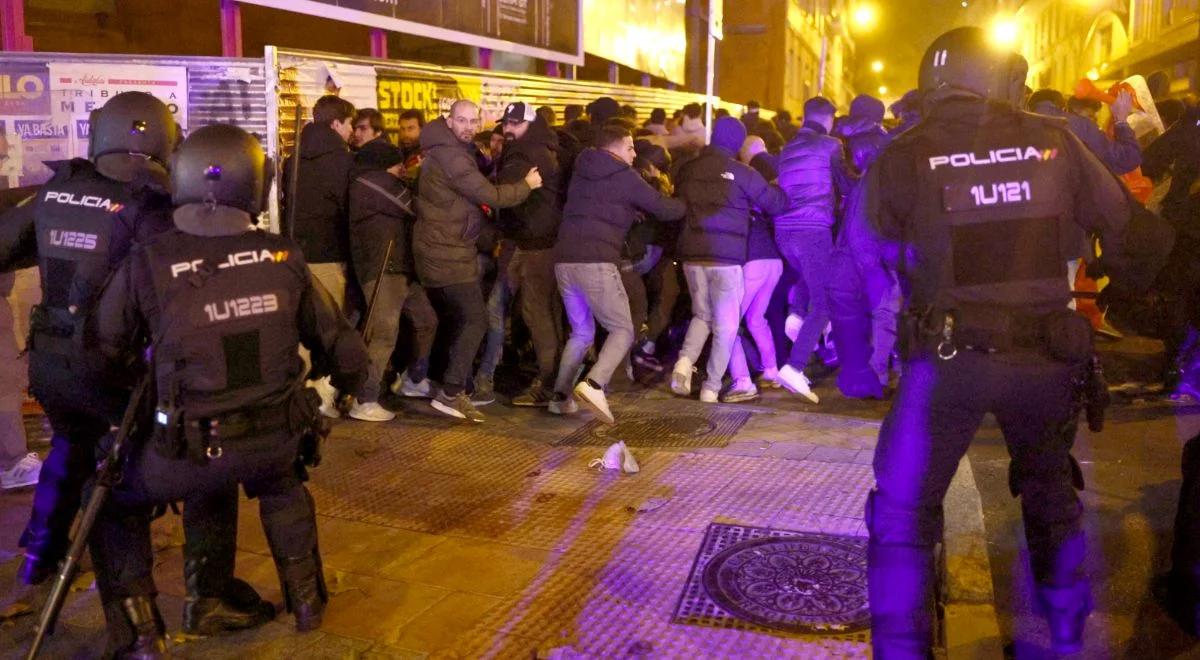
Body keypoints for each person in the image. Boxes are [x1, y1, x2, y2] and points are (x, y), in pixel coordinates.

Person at [865, 27, 1143, 657]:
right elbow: (1125, 225)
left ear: (932, 82)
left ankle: (902, 649)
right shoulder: (1058, 141)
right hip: (1046, 358)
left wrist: (868, 350)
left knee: (904, 514)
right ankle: (1065, 635)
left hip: (946, 361)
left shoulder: (906, 152)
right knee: (1051, 495)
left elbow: (859, 257)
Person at [0, 92, 276, 637]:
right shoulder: (158, 206)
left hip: (56, 364)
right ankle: (205, 596)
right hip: (124, 370)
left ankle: (47, 561)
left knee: (74, 450)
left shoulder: (56, 191)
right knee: (193, 469)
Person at [90, 124, 368, 655]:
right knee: (282, 482)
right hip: (275, 440)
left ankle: (142, 633)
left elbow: (105, 345)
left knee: (110, 502)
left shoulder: (149, 259)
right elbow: (345, 349)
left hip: (190, 446)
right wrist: (344, 388)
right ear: (255, 183)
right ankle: (307, 602)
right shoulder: (282, 256)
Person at [413, 100, 540, 422]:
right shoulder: (452, 157)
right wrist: (527, 185)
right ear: (449, 120)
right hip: (447, 253)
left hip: (443, 249)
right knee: (475, 320)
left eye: (473, 121)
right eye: (462, 120)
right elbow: (492, 196)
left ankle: (432, 380)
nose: (469, 126)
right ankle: (451, 393)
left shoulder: (446, 149)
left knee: (454, 320)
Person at [550, 124, 685, 422]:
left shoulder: (582, 169)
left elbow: (602, 204)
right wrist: (687, 202)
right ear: (614, 149)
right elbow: (664, 209)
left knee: (582, 332)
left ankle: (560, 397)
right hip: (597, 261)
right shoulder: (625, 176)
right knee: (623, 329)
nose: (634, 154)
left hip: (564, 261)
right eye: (630, 147)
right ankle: (595, 384)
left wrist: (628, 209)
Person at [671, 117, 787, 403]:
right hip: (726, 259)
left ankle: (684, 363)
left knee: (701, 315)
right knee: (726, 325)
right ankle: (710, 388)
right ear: (737, 143)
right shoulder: (741, 172)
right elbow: (776, 203)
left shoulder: (688, 170)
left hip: (692, 256)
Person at [774, 95, 853, 402]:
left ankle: (795, 317)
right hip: (812, 230)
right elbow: (845, 184)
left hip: (785, 233)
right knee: (825, 301)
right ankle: (794, 366)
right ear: (828, 119)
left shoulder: (787, 149)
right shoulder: (831, 145)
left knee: (814, 276)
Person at [281, 95, 356, 416]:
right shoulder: (342, 161)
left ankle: (292, 391)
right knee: (327, 328)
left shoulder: (293, 156)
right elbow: (347, 211)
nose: (353, 131)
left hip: (296, 254)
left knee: (299, 326)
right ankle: (320, 397)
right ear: (337, 123)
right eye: (351, 124)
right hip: (329, 254)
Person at [491, 102, 567, 407]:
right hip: (543, 242)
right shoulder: (546, 146)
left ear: (530, 125)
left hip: (535, 245)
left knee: (538, 314)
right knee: (546, 313)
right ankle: (554, 379)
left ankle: (548, 385)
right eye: (506, 123)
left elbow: (505, 195)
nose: (508, 130)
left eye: (515, 124)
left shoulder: (523, 152)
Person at [826, 94, 898, 399]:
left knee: (873, 308)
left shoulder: (856, 144)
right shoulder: (885, 145)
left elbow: (850, 189)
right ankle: (875, 372)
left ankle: (871, 373)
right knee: (880, 309)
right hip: (868, 239)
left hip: (861, 240)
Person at [347, 137, 415, 422]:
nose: (403, 168)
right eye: (399, 164)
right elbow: (414, 206)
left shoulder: (365, 183)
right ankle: (365, 398)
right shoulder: (373, 184)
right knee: (383, 333)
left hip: (393, 267)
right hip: (383, 268)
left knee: (425, 321)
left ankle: (413, 378)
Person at [726, 135, 786, 400]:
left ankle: (742, 380)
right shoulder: (757, 196)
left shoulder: (736, 196)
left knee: (728, 323)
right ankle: (771, 370)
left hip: (752, 262)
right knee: (755, 318)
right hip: (774, 261)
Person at [396, 108, 425, 174]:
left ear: (421, 129)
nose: (406, 134)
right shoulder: (397, 153)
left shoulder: (428, 156)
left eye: (410, 128)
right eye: (403, 129)